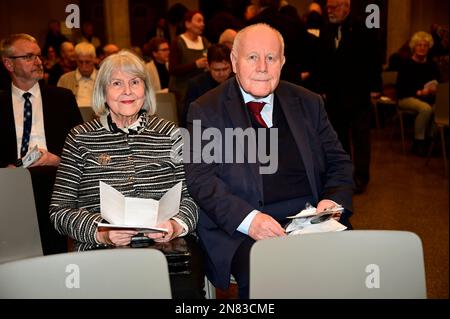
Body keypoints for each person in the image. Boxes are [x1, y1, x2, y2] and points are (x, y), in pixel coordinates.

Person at [184, 24, 353, 299]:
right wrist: (250, 220)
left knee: (358, 265)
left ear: (282, 62)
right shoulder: (207, 109)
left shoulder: (308, 103)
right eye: (252, 57)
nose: (262, 66)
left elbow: (339, 163)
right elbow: (201, 179)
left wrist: (331, 201)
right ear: (234, 62)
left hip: (311, 220)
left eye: (271, 58)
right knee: (270, 276)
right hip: (243, 230)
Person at [49, 50, 198, 251]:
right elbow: (59, 211)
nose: (127, 91)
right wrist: (101, 233)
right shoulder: (80, 138)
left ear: (145, 90)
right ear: (103, 92)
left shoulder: (172, 134)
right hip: (100, 250)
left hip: (167, 247)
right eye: (117, 83)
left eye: (135, 82)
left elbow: (194, 197)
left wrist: (175, 225)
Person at [0, 33, 83, 254]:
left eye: (39, 56)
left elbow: (84, 150)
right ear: (9, 63)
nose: (38, 62)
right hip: (10, 182)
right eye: (28, 57)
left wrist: (58, 160)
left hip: (54, 177)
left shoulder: (62, 98)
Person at [318, 0, 382, 194]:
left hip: (358, 94)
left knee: (361, 137)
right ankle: (344, 175)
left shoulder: (363, 28)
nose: (330, 11)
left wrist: (375, 87)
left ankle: (361, 177)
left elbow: (373, 59)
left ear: (346, 7)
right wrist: (321, 87)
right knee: (339, 138)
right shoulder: (326, 30)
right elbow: (323, 61)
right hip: (335, 96)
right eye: (328, 7)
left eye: (334, 7)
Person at [396, 31, 441, 157]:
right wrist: (420, 92)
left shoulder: (432, 65)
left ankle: (430, 141)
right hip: (407, 98)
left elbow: (439, 82)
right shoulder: (406, 64)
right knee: (426, 109)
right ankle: (418, 143)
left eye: (425, 45)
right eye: (419, 45)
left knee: (438, 108)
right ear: (413, 47)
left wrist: (434, 88)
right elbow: (401, 89)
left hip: (427, 97)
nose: (422, 48)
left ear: (429, 48)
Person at [169, 10, 210, 122]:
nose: (202, 24)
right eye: (199, 20)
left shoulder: (204, 41)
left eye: (203, 21)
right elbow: (173, 69)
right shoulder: (178, 42)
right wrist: (195, 65)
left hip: (201, 89)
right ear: (187, 24)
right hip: (182, 91)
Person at [182, 43, 233, 127]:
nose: (221, 73)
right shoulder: (196, 84)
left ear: (231, 66)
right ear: (208, 66)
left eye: (225, 69)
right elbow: (187, 117)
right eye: (216, 70)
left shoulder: (236, 82)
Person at [57, 42, 97, 107]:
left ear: (94, 59)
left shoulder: (103, 78)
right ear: (76, 60)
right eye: (80, 62)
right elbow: (58, 103)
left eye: (87, 62)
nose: (84, 66)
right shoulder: (64, 79)